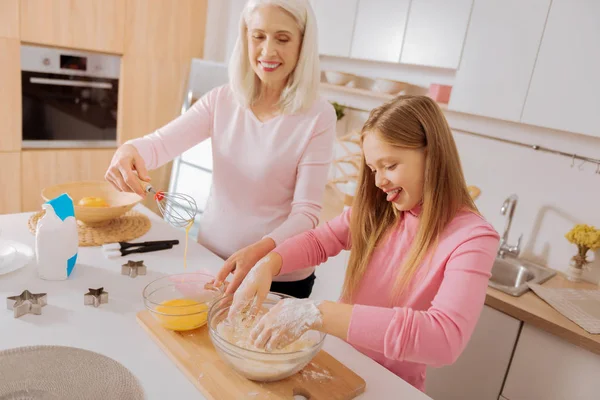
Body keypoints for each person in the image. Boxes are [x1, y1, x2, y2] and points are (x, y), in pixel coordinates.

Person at [226, 95, 501, 391]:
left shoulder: (472, 238)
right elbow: (320, 241)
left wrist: (316, 312)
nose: (379, 181)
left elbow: (444, 338)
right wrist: (268, 264)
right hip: (338, 364)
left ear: (433, 154)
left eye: (390, 165)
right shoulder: (382, 209)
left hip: (392, 387)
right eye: (373, 169)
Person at [105, 0, 336, 299]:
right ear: (245, 37)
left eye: (282, 38)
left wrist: (259, 252)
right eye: (258, 36)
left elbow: (306, 214)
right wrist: (128, 150)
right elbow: (159, 145)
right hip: (215, 262)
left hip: (279, 274)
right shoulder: (222, 101)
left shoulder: (318, 116)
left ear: (303, 44)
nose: (267, 51)